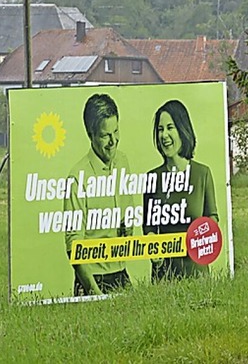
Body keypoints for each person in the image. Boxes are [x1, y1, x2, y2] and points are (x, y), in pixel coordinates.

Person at [64, 93, 133, 296]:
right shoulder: (77, 177)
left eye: (116, 131)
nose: (113, 141)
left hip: (122, 273)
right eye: (105, 136)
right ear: (91, 134)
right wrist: (95, 292)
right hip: (92, 280)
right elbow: (74, 245)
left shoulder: (123, 161)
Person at [143, 99, 219, 281]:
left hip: (197, 273)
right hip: (164, 276)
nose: (164, 135)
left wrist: (204, 240)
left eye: (170, 127)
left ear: (182, 129)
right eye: (160, 130)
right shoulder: (152, 178)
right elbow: (149, 227)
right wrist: (154, 249)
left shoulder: (202, 174)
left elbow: (212, 217)